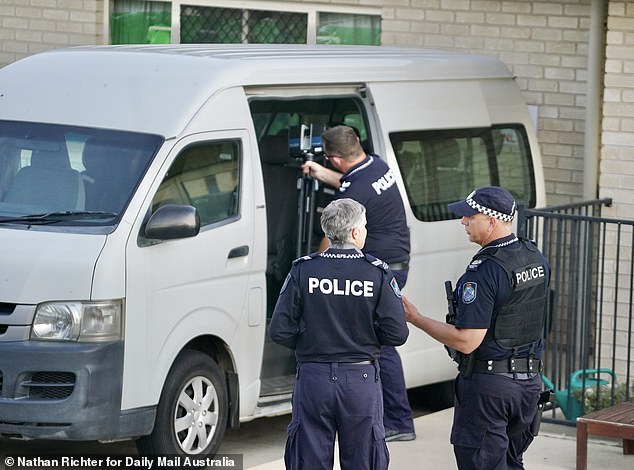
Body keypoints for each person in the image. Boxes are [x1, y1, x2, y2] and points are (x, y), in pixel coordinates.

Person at [402, 186, 550, 470]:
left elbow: (468, 341)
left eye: (470, 216)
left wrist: (417, 318)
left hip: (491, 390)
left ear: (491, 221)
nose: (463, 221)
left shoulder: (483, 272)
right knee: (511, 463)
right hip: (529, 385)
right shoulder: (534, 257)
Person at [269, 198, 409, 470]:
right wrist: (366, 337)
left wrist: (312, 340)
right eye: (365, 227)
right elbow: (397, 333)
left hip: (313, 379)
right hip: (361, 379)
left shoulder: (303, 269)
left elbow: (279, 330)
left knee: (307, 460)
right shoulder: (377, 273)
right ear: (355, 233)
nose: (366, 231)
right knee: (364, 461)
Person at [302, 125, 416, 442]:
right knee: (381, 342)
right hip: (394, 264)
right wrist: (319, 172)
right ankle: (397, 418)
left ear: (337, 158)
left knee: (381, 346)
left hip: (381, 270)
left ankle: (398, 421)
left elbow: (333, 235)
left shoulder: (353, 191)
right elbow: (350, 182)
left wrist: (315, 268)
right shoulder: (375, 164)